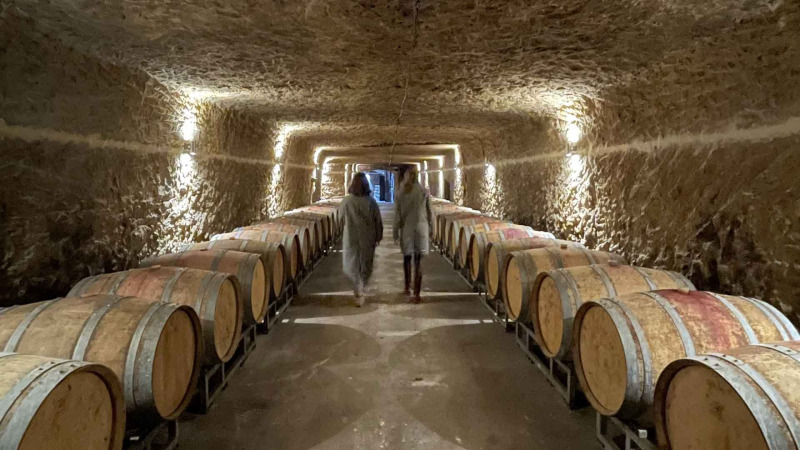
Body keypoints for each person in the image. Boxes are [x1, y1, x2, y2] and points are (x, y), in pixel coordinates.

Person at [339, 172, 383, 306]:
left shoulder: (346, 201)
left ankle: (357, 290)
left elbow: (339, 219)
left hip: (351, 237)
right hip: (367, 237)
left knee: (351, 264)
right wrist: (378, 235)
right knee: (365, 264)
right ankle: (362, 288)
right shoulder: (371, 201)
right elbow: (378, 221)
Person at [393, 167, 432, 304]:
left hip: (407, 230)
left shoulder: (400, 193)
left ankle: (407, 287)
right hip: (421, 229)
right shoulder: (423, 192)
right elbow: (429, 212)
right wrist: (431, 228)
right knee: (418, 262)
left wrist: (395, 231)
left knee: (407, 259)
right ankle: (417, 294)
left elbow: (397, 215)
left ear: (405, 177)